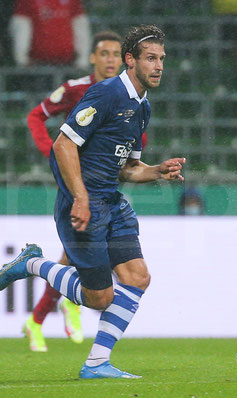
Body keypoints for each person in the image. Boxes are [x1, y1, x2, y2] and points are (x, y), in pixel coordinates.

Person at [0, 24, 185, 379]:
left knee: (137, 277)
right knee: (99, 298)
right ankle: (32, 263)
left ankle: (97, 363)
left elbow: (128, 168)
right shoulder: (107, 93)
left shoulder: (142, 108)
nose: (158, 66)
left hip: (111, 202)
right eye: (150, 58)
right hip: (82, 204)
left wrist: (157, 171)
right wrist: (80, 197)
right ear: (131, 60)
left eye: (162, 59)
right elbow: (63, 144)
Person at [24, 30, 148, 353]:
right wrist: (50, 153)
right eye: (103, 54)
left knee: (76, 258)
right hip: (78, 181)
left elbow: (132, 141)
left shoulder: (133, 99)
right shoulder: (77, 89)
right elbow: (37, 117)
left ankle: (43, 316)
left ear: (124, 60)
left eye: (115, 54)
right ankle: (57, 308)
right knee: (79, 258)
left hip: (106, 183)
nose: (110, 60)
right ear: (92, 58)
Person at [9, 0, 90, 69]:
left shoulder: (73, 2)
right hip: (37, 63)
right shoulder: (27, 2)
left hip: (67, 61)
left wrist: (83, 59)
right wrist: (22, 58)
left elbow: (80, 27)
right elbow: (21, 27)